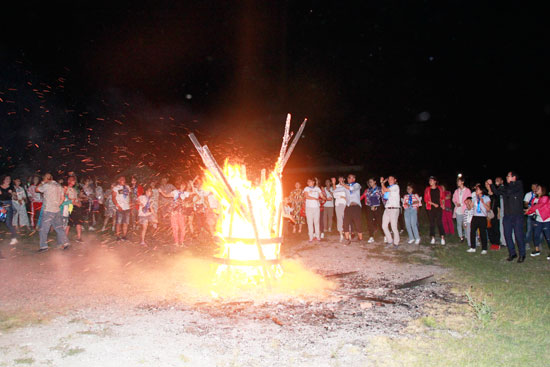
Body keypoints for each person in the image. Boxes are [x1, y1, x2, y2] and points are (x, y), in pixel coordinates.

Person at [489, 172, 526, 262]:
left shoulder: (518, 185)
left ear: (514, 177)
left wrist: (502, 187)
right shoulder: (505, 187)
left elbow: (509, 191)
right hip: (507, 215)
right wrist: (491, 185)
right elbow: (497, 193)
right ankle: (512, 253)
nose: (506, 177)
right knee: (507, 235)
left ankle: (522, 254)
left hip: (517, 215)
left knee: (518, 235)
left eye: (508, 176)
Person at [36, 173, 70, 252]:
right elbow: (62, 198)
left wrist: (42, 183)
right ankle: (65, 243)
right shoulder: (58, 186)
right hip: (57, 210)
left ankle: (43, 246)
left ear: (46, 178)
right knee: (59, 228)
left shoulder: (46, 185)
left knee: (43, 229)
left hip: (48, 210)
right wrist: (58, 205)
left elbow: (36, 190)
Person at [160, 182, 191, 246]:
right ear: (179, 186)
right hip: (174, 212)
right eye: (181, 185)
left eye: (184, 186)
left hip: (181, 212)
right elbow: (166, 195)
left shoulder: (185, 193)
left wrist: (192, 185)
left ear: (185, 187)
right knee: (175, 228)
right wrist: (161, 192)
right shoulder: (175, 192)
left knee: (182, 228)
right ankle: (176, 242)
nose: (182, 186)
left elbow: (194, 193)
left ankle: (182, 242)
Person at [525, 185, 550, 259]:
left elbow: (539, 205)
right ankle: (537, 250)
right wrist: (527, 212)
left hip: (546, 219)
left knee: (548, 237)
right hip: (538, 219)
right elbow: (533, 209)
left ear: (542, 190)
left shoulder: (545, 198)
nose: (536, 189)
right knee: (536, 235)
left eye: (538, 188)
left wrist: (529, 209)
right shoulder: (534, 199)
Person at [466, 184, 491, 255]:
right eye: (476, 189)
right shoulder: (474, 198)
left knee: (483, 233)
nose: (476, 190)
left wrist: (483, 202)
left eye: (477, 189)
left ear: (481, 191)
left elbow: (488, 209)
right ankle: (473, 247)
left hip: (482, 217)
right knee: (472, 232)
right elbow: (469, 208)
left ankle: (484, 248)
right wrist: (467, 204)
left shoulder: (486, 198)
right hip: (475, 217)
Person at [424, 176, 446, 245]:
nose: (430, 181)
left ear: (435, 181)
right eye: (429, 180)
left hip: (439, 208)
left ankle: (442, 238)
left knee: (439, 222)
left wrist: (443, 205)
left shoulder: (439, 188)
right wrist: (434, 204)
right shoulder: (427, 189)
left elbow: (442, 198)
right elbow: (426, 200)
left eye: (431, 180)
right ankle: (433, 238)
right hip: (430, 208)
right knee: (432, 223)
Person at [342, 174, 363, 245]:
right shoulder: (345, 186)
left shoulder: (357, 185)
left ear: (354, 179)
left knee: (358, 223)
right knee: (345, 223)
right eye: (348, 178)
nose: (349, 179)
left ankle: (360, 239)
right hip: (348, 207)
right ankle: (347, 239)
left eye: (351, 178)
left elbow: (351, 188)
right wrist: (334, 183)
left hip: (356, 207)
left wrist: (343, 184)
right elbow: (336, 190)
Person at [360, 178, 383, 243]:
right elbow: (367, 198)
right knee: (369, 222)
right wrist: (369, 206)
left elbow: (383, 197)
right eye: (369, 182)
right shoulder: (368, 190)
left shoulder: (379, 189)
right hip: (370, 207)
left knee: (380, 221)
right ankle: (371, 236)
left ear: (375, 182)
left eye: (371, 182)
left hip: (377, 207)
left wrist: (376, 206)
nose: (370, 183)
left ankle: (385, 235)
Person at [381, 176, 400, 247]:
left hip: (394, 209)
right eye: (388, 179)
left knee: (393, 226)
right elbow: (383, 192)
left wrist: (382, 183)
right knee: (384, 226)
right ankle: (389, 240)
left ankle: (396, 242)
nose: (390, 180)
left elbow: (385, 189)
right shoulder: (389, 187)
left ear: (395, 180)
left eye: (392, 179)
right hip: (387, 208)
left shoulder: (395, 187)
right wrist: (382, 183)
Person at [303, 178, 325, 242]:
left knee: (316, 222)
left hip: (316, 207)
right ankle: (311, 237)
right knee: (310, 223)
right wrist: (315, 198)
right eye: (308, 182)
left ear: (313, 182)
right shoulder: (306, 188)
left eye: (310, 181)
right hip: (309, 207)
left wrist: (325, 198)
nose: (308, 182)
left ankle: (318, 237)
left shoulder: (317, 188)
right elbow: (306, 196)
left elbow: (321, 196)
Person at [65, 176, 84, 242]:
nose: (74, 182)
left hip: (76, 207)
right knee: (69, 222)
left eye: (74, 180)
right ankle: (64, 238)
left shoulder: (74, 189)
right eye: (73, 180)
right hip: (70, 206)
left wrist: (79, 201)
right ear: (68, 180)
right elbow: (67, 198)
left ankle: (79, 237)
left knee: (78, 221)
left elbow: (76, 198)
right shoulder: (66, 188)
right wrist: (76, 203)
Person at [0, 175, 18, 245]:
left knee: (8, 223)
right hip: (0, 206)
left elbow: (16, 198)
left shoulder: (11, 188)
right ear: (3, 180)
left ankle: (14, 238)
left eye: (9, 179)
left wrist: (12, 193)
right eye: (7, 179)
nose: (8, 180)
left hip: (8, 206)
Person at [452, 177, 471, 242]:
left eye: (459, 181)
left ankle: (466, 235)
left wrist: (462, 204)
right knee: (459, 223)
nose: (457, 183)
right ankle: (461, 237)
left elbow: (469, 198)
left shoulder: (467, 190)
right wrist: (456, 203)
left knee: (465, 223)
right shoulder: (456, 191)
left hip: (465, 209)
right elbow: (453, 198)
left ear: (462, 182)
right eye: (457, 181)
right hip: (458, 209)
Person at [112, 176, 131, 241]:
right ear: (119, 180)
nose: (123, 180)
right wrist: (117, 205)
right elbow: (113, 197)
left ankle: (124, 236)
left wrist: (130, 203)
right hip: (120, 208)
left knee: (126, 223)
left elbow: (129, 196)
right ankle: (117, 236)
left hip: (127, 207)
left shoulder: (127, 187)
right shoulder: (116, 188)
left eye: (124, 179)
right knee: (119, 223)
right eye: (122, 179)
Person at [485, 179, 501, 250]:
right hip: (487, 213)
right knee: (489, 228)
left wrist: (499, 213)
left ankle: (497, 243)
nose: (487, 186)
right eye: (486, 184)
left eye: (488, 184)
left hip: (494, 212)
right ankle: (492, 242)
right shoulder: (485, 194)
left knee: (496, 228)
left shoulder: (495, 194)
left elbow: (498, 204)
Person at [332, 176, 348, 242]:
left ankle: (347, 233)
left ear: (344, 179)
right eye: (339, 179)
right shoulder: (336, 186)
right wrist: (342, 196)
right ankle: (341, 234)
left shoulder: (346, 186)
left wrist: (344, 197)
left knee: (346, 219)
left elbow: (348, 195)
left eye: (342, 178)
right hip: (338, 204)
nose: (340, 179)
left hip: (345, 204)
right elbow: (334, 195)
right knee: (339, 219)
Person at [523, 183, 539, 248]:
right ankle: (527, 242)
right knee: (529, 229)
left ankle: (538, 243)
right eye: (532, 187)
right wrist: (531, 206)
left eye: (535, 187)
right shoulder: (528, 194)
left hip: (538, 215)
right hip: (530, 214)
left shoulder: (540, 195)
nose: (534, 188)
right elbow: (525, 204)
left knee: (538, 230)